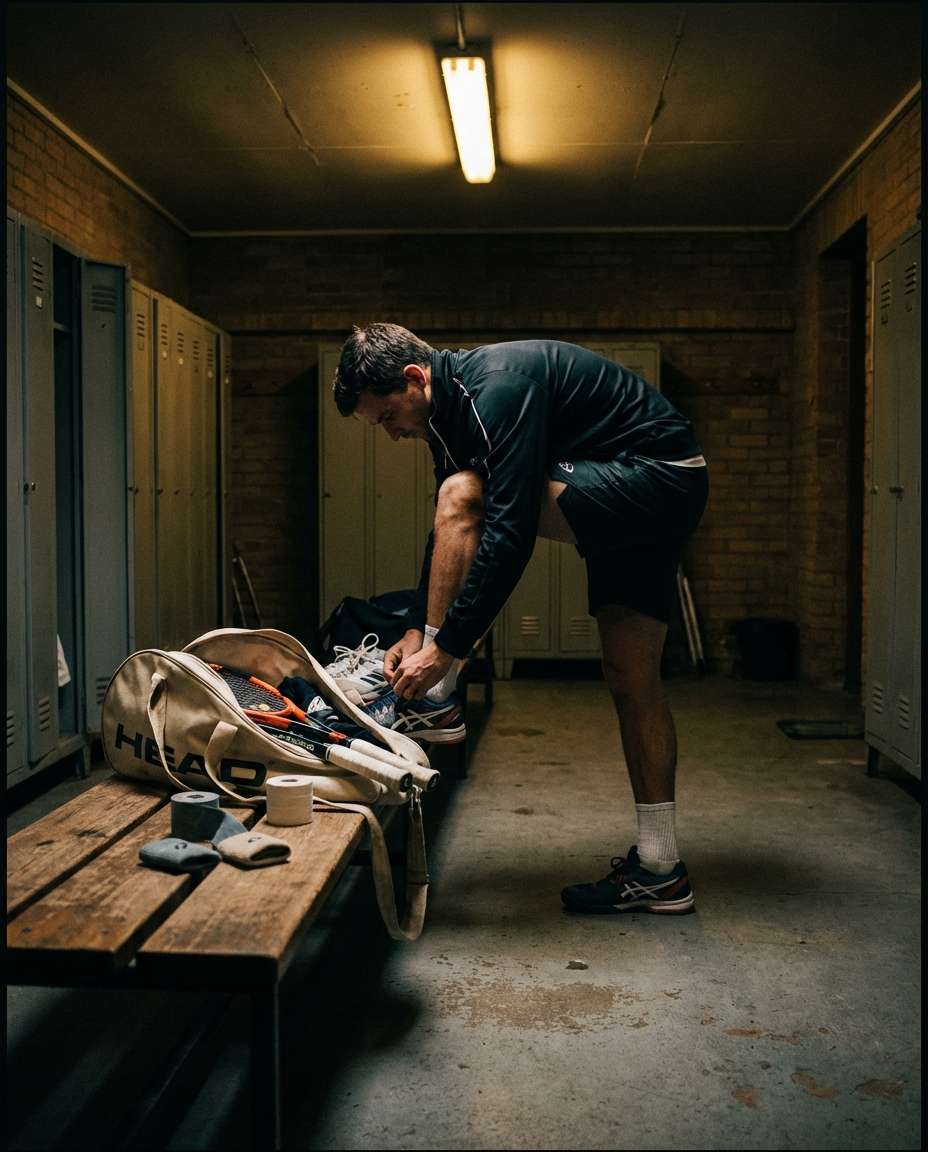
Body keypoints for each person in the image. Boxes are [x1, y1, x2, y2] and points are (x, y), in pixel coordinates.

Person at [333, 323, 708, 915]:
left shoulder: (497, 388)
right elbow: (447, 530)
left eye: (386, 418)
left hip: (657, 476)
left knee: (465, 492)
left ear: (413, 378)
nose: (392, 433)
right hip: (646, 489)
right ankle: (661, 871)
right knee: (634, 679)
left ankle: (439, 699)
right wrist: (414, 628)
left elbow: (505, 531)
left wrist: (444, 652)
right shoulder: (449, 414)